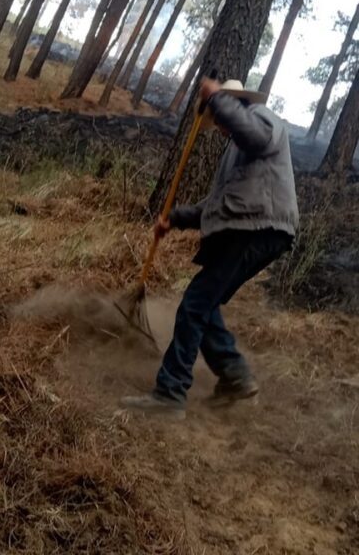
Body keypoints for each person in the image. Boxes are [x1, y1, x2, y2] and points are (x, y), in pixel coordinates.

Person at [121, 77, 299, 420]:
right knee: (205, 305)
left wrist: (216, 99)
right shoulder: (237, 152)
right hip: (254, 229)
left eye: (220, 116)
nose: (218, 126)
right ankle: (235, 377)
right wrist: (173, 219)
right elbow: (215, 206)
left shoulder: (262, 119)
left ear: (234, 104)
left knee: (194, 305)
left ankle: (170, 393)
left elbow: (256, 135)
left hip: (257, 229)